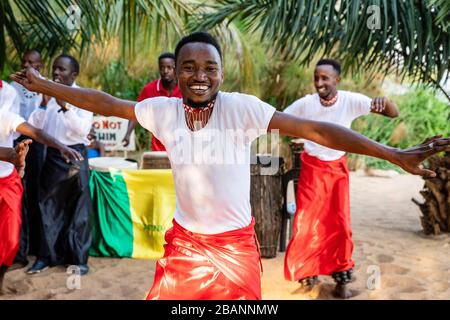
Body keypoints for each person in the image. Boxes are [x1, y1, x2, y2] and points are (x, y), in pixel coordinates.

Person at [11, 32, 450, 300]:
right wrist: (47, 84)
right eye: (188, 67)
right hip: (184, 246)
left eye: (209, 67)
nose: (199, 75)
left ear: (221, 72)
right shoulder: (162, 109)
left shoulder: (242, 108)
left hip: (237, 247)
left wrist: (393, 154)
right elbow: (104, 102)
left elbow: (317, 130)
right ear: (175, 73)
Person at [283, 58, 400, 298]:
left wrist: (385, 103)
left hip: (337, 171)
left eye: (325, 78)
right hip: (311, 170)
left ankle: (341, 282)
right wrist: (298, 133)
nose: (319, 83)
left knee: (339, 225)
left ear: (337, 79)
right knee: (306, 224)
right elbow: (279, 121)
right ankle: (309, 277)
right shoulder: (306, 104)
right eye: (316, 77)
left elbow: (393, 113)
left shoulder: (350, 100)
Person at [23, 54, 94, 276]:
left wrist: (65, 108)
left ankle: (78, 260)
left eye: (61, 70)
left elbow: (82, 131)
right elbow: (34, 126)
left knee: (78, 211)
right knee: (47, 207)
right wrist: (44, 104)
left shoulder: (84, 97)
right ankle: (46, 257)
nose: (56, 73)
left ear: (73, 75)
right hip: (53, 157)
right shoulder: (46, 94)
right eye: (54, 68)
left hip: (76, 157)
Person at [0, 105, 82, 294]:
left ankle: (1, 277)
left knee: (11, 240)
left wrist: (61, 146)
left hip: (8, 183)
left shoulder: (5, 117)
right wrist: (12, 156)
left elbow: (36, 132)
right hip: (12, 169)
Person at [10, 49, 45, 268]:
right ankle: (19, 252)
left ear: (40, 65)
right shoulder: (13, 88)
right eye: (24, 61)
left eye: (32, 62)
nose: (27, 65)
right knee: (19, 196)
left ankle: (37, 248)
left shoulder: (48, 86)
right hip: (18, 142)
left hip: (41, 143)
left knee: (37, 194)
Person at [122, 52, 182, 151]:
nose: (165, 71)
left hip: (183, 146)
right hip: (158, 148)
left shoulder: (184, 89)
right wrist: (128, 134)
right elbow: (136, 111)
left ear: (175, 69)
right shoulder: (150, 89)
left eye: (169, 67)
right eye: (162, 67)